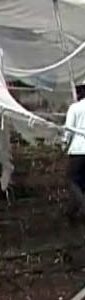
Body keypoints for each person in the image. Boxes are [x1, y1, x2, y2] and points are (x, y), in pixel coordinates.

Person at [64, 86, 85, 224]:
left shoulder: (75, 108)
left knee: (72, 180)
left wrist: (64, 145)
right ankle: (71, 212)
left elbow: (68, 130)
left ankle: (81, 206)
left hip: (78, 150)